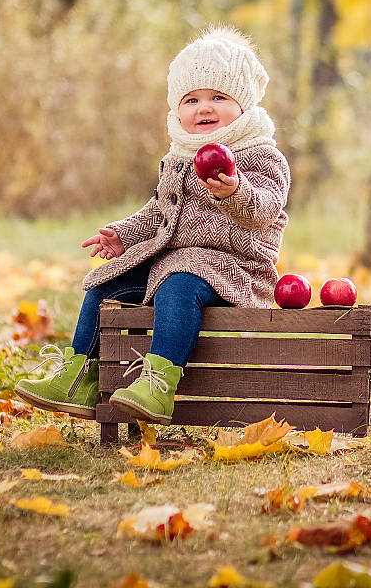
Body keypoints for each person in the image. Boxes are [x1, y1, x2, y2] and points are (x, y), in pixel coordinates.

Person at [16, 26, 290, 424]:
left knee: (178, 282)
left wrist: (234, 191)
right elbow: (159, 212)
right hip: (173, 260)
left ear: (243, 106)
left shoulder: (259, 155)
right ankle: (79, 378)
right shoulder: (179, 156)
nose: (204, 108)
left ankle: (158, 385)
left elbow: (265, 208)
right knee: (105, 283)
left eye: (219, 97)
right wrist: (123, 234)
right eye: (191, 99)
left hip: (236, 268)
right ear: (177, 109)